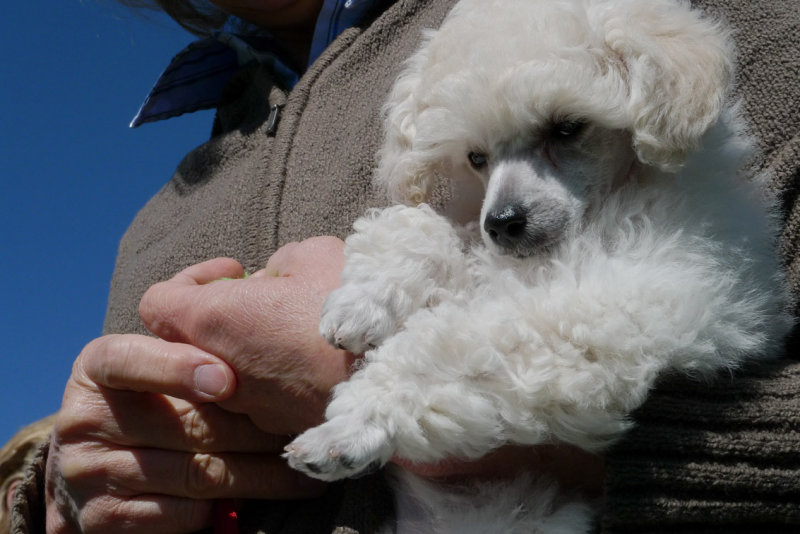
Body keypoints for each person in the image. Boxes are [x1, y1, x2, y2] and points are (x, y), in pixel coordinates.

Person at [3, 0, 799, 532]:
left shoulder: (723, 27)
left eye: (563, 130)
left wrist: (371, 389)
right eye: (480, 159)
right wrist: (59, 483)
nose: (502, 200)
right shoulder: (162, 210)